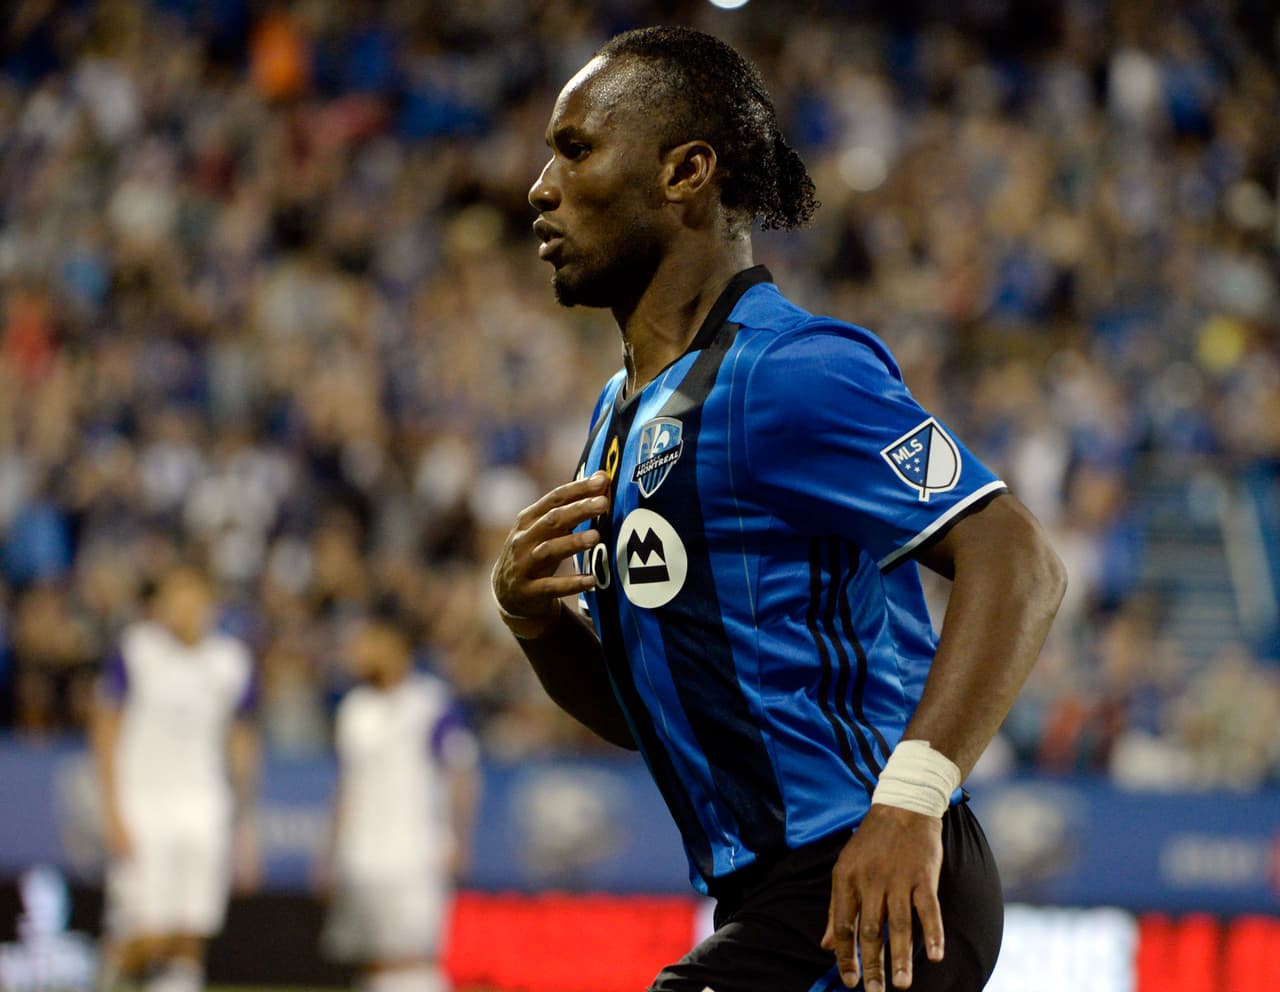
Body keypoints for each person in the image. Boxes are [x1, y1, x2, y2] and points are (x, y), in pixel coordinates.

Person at [491, 26, 1067, 992]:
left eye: (577, 147)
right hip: (782, 894)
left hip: (870, 874)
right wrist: (537, 624)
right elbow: (665, 714)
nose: (541, 187)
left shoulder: (788, 371)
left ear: (686, 172)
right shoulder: (620, 414)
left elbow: (1018, 559)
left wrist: (910, 806)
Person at [91, 565, 259, 992]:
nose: (182, 606)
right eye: (173, 594)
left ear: (210, 602)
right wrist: (111, 809)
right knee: (148, 930)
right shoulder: (136, 651)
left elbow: (242, 744)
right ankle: (108, 978)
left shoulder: (231, 662)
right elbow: (105, 730)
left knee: (190, 931)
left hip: (204, 808)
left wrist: (243, 820)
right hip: (144, 808)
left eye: (191, 594)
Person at [319, 611, 480, 992]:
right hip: (361, 853)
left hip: (416, 851)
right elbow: (346, 784)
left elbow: (462, 772)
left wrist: (459, 838)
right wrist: (331, 850)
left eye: (367, 644)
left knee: (414, 955)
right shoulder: (353, 709)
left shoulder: (430, 703)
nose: (357, 653)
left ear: (395, 648)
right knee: (373, 959)